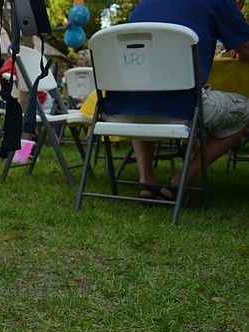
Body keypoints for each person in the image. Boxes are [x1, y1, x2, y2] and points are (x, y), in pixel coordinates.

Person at [102, 0, 249, 201]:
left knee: (143, 95)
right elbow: (246, 49)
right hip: (182, 108)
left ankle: (147, 181)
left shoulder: (143, 6)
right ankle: (178, 183)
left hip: (121, 111)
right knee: (246, 110)